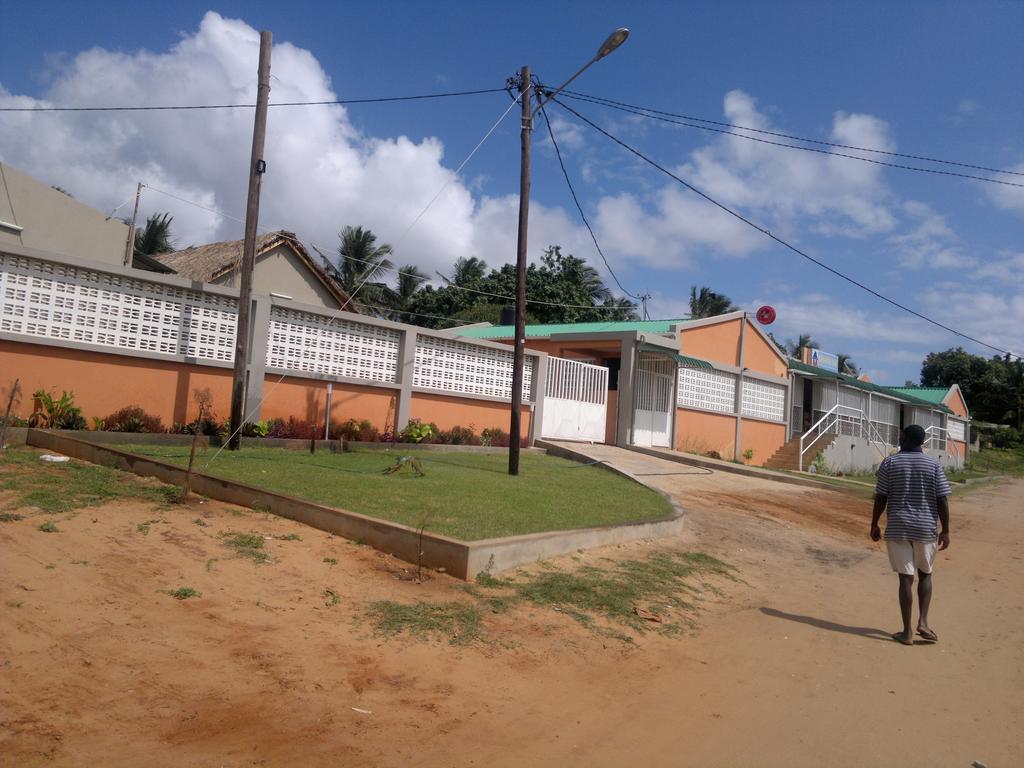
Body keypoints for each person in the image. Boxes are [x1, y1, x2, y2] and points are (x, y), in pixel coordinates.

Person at [870, 424, 951, 646]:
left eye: (901, 435)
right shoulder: (933, 465)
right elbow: (942, 499)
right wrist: (946, 530)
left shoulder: (890, 462)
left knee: (905, 579)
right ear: (922, 441)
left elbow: (881, 496)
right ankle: (923, 622)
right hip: (925, 528)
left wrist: (874, 524)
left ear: (905, 438)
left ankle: (906, 633)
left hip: (898, 526)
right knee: (925, 574)